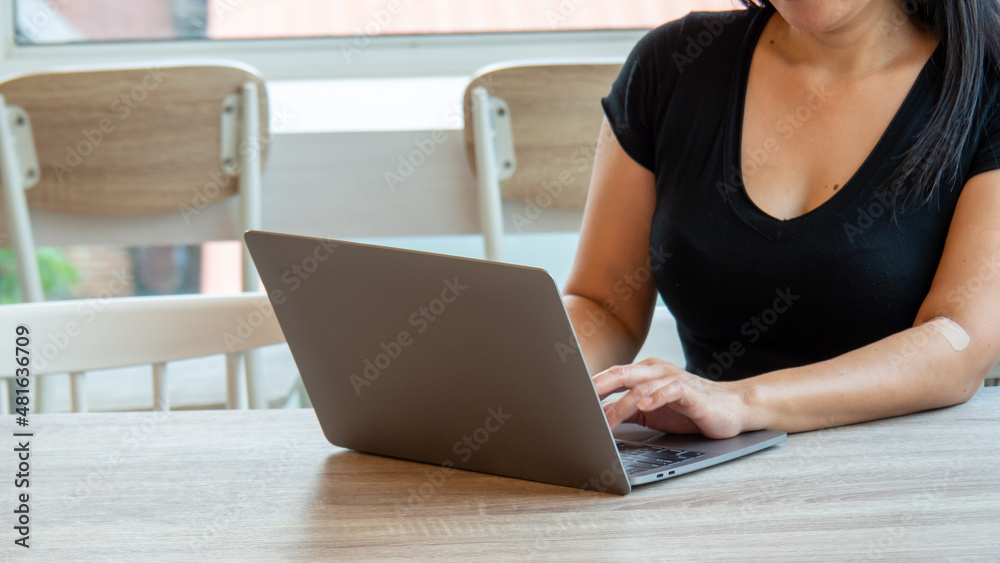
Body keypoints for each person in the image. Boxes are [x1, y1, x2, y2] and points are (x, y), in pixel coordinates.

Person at [563, 0, 1000, 438]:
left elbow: (957, 345)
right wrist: (538, 371)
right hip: (706, 469)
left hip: (899, 478)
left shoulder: (988, 82)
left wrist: (742, 402)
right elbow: (603, 305)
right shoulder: (674, 61)